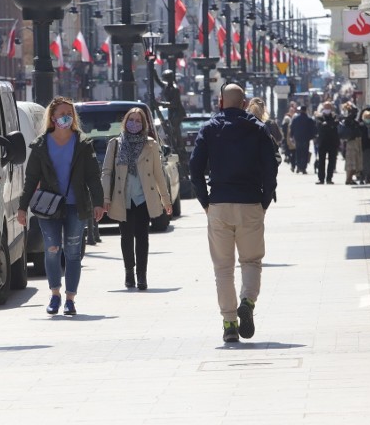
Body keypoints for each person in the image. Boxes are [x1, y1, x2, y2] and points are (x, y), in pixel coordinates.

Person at [189, 83, 279, 343]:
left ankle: (229, 322)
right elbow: (270, 169)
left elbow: (195, 168)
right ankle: (247, 302)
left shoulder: (209, 128)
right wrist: (263, 201)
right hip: (250, 202)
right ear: (244, 103)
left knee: (223, 268)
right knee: (251, 261)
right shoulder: (259, 129)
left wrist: (205, 202)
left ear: (220, 102)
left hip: (219, 203)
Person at [18, 97, 105, 316]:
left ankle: (70, 299)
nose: (67, 117)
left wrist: (98, 202)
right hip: (49, 207)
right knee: (52, 249)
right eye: (62, 113)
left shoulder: (82, 143)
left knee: (73, 253)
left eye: (70, 113)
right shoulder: (40, 145)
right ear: (53, 117)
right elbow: (31, 179)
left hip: (77, 206)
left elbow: (93, 176)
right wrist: (22, 207)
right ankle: (55, 294)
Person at [101, 108, 172, 291]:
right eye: (131, 120)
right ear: (125, 122)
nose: (134, 123)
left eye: (138, 121)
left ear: (144, 124)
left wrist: (166, 200)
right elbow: (107, 172)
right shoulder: (115, 144)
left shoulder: (150, 144)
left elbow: (158, 174)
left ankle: (142, 275)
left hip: (143, 199)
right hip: (123, 198)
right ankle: (129, 271)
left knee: (142, 237)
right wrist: (105, 198)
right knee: (126, 236)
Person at [247, 97, 282, 165]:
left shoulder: (243, 123)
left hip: (247, 168)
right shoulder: (270, 124)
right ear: (263, 109)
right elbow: (279, 138)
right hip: (265, 168)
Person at [314, 101, 340, 184]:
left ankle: (329, 178)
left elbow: (336, 123)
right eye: (326, 107)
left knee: (332, 161)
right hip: (322, 142)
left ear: (331, 108)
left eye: (329, 107)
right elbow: (319, 125)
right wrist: (330, 125)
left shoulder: (334, 116)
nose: (327, 109)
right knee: (321, 161)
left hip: (333, 142)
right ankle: (321, 178)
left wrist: (327, 124)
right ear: (323, 108)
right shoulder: (320, 116)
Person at [339, 102, 363, 184]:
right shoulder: (349, 119)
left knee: (352, 161)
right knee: (352, 162)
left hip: (352, 141)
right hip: (352, 141)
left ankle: (349, 179)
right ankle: (348, 179)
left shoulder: (347, 119)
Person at [289, 105, 316, 174]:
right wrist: (312, 137)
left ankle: (298, 167)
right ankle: (303, 168)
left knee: (298, 152)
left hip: (297, 138)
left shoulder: (296, 119)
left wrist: (292, 136)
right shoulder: (309, 119)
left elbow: (292, 128)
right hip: (306, 139)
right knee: (305, 153)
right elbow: (313, 129)